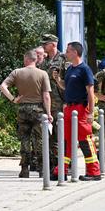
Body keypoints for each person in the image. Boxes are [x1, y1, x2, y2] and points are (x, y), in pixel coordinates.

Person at [51, 41, 101, 181]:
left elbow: (90, 92)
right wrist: (57, 79)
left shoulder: (84, 69)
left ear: (75, 52)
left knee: (85, 140)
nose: (66, 53)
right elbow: (66, 87)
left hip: (81, 108)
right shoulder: (70, 69)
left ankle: (94, 172)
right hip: (69, 108)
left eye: (68, 51)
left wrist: (90, 112)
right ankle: (61, 170)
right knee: (66, 140)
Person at [0, 50, 52, 178]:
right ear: (35, 59)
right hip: (38, 109)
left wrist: (13, 99)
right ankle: (42, 169)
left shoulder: (17, 72)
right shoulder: (42, 74)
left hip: (22, 109)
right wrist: (49, 113)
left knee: (24, 139)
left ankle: (24, 168)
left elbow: (3, 86)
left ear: (27, 59)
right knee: (39, 140)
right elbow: (46, 96)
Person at [39, 34, 68, 171]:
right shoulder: (44, 61)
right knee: (50, 137)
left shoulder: (63, 59)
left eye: (45, 44)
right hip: (46, 103)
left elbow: (69, 82)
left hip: (60, 103)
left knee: (61, 135)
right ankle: (53, 165)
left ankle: (64, 165)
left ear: (53, 44)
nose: (43, 46)